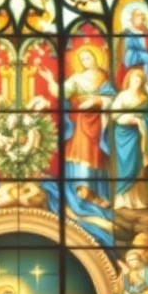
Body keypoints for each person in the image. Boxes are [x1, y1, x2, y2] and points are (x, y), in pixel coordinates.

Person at [39, 46, 115, 204]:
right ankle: (83, 188)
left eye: (89, 57)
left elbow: (113, 99)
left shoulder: (103, 77)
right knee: (82, 151)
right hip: (82, 120)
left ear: (95, 57)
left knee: (97, 155)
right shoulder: (77, 78)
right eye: (83, 59)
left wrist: (96, 100)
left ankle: (98, 193)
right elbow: (61, 92)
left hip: (99, 120)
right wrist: (50, 80)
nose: (86, 61)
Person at [109, 68, 148, 210]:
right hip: (123, 135)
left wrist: (142, 123)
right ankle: (121, 199)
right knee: (124, 166)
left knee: (138, 166)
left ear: (142, 82)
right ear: (129, 80)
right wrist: (127, 119)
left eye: (139, 80)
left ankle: (138, 200)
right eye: (134, 79)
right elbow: (114, 115)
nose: (136, 82)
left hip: (140, 137)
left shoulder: (145, 98)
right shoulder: (122, 96)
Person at [118, 7, 148, 87]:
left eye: (142, 15)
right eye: (137, 15)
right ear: (132, 18)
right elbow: (121, 53)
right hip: (130, 65)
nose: (141, 18)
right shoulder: (126, 33)